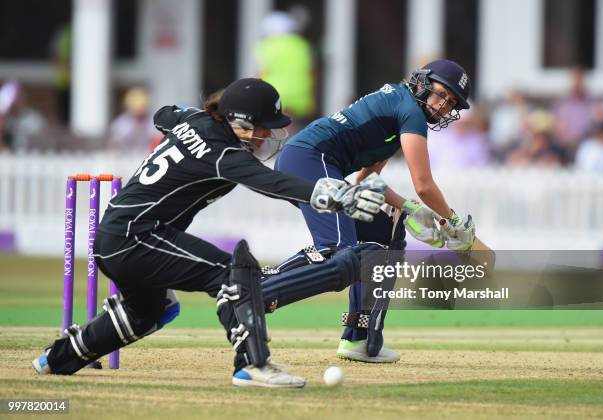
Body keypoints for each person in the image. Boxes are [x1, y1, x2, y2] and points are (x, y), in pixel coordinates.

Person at [31, 78, 387, 388]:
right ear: (241, 123)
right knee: (234, 273)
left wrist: (192, 119)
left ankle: (57, 359)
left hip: (118, 234)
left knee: (151, 311)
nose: (268, 135)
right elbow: (272, 183)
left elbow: (163, 114)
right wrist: (329, 196)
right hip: (136, 237)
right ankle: (252, 365)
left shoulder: (194, 120)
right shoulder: (224, 154)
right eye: (264, 126)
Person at [274, 59, 477, 362]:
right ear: (423, 82)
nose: (443, 106)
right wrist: (454, 222)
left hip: (311, 162)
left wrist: (409, 209)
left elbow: (367, 179)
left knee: (382, 234)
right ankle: (257, 287)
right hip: (308, 160)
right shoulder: (410, 112)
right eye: (441, 94)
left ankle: (360, 338)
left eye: (451, 103)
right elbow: (423, 184)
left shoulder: (400, 108)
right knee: (337, 250)